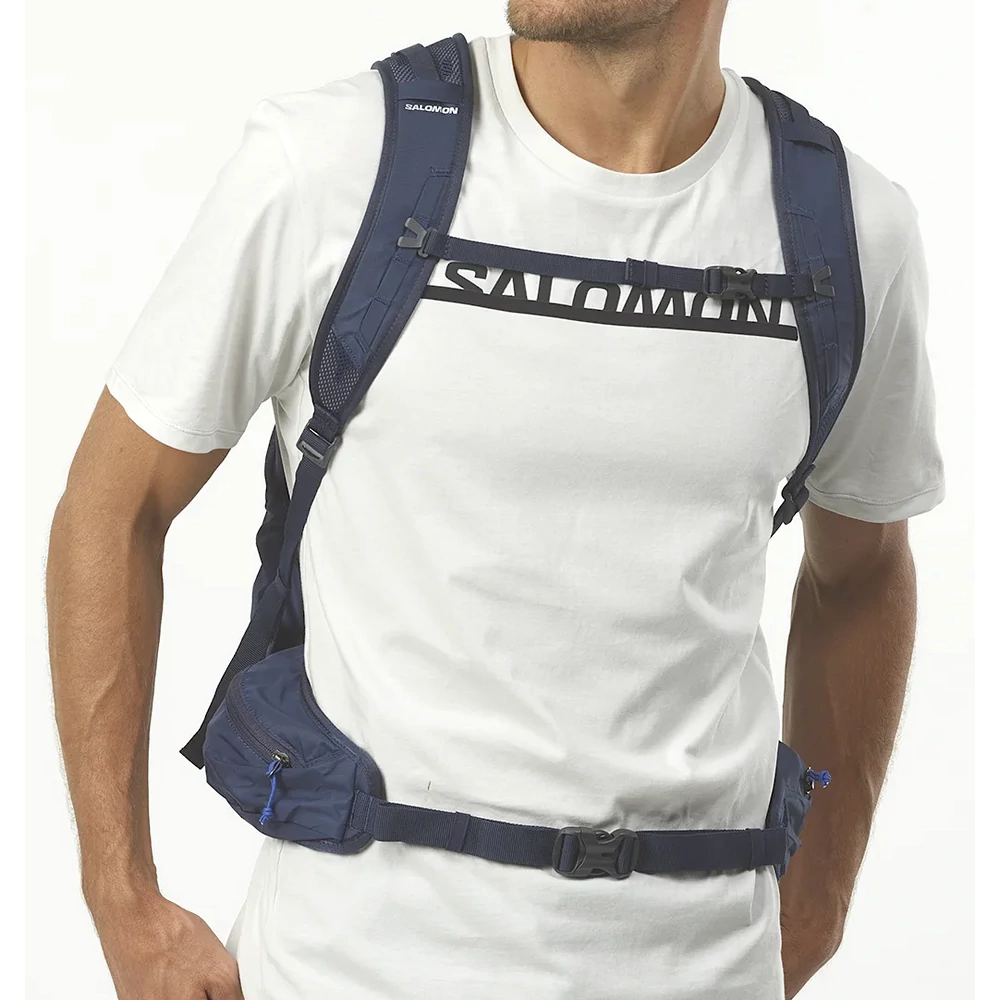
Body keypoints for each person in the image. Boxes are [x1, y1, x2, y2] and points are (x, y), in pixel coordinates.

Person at [45, 1, 945, 998]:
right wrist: (120, 897)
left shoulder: (847, 230)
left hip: (705, 964)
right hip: (353, 966)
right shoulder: (334, 163)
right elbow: (113, 506)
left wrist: (819, 897)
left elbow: (861, 573)